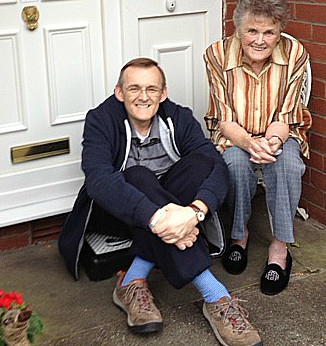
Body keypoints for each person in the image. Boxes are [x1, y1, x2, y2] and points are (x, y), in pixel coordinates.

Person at [59, 57, 262, 346]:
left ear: (163, 93)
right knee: (139, 176)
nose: (144, 96)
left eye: (152, 89)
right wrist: (159, 219)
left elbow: (216, 167)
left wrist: (193, 213)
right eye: (134, 89)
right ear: (120, 92)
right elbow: (99, 181)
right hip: (120, 214)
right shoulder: (101, 119)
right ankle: (215, 295)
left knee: (202, 161)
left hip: (176, 208)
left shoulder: (178, 116)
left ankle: (131, 279)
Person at [204, 0, 311, 296]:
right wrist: (251, 144)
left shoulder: (294, 53)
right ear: (238, 29)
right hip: (235, 133)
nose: (260, 40)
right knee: (235, 164)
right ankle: (239, 235)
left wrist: (271, 142)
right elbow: (224, 118)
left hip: (281, 131)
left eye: (269, 32)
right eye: (252, 30)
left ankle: (280, 247)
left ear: (280, 32)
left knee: (288, 163)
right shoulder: (216, 55)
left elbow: (286, 115)